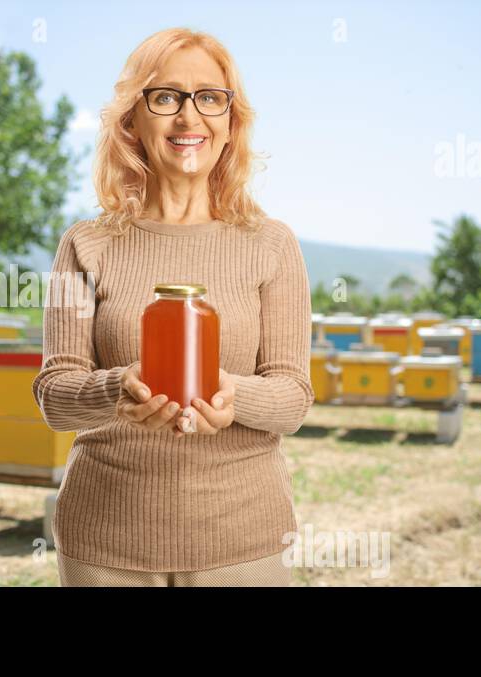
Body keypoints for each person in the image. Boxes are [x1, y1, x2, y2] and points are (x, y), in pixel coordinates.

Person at [32, 27, 312, 587]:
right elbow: (55, 398)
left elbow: (292, 399)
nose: (190, 118)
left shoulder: (272, 244)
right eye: (165, 97)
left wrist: (233, 395)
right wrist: (118, 389)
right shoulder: (85, 244)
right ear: (131, 120)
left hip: (243, 542)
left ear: (231, 122)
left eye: (210, 98)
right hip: (104, 542)